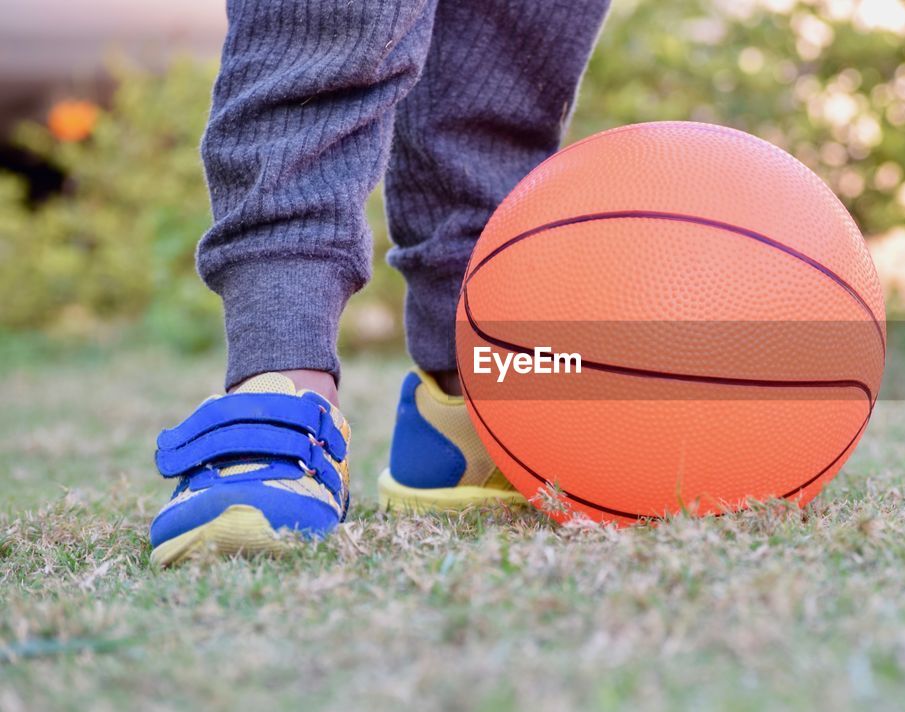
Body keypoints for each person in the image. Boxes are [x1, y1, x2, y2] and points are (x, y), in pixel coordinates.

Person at [148, 0, 611, 566]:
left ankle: (471, 400)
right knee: (322, 28)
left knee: (508, 58)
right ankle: (280, 377)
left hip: (495, 347)